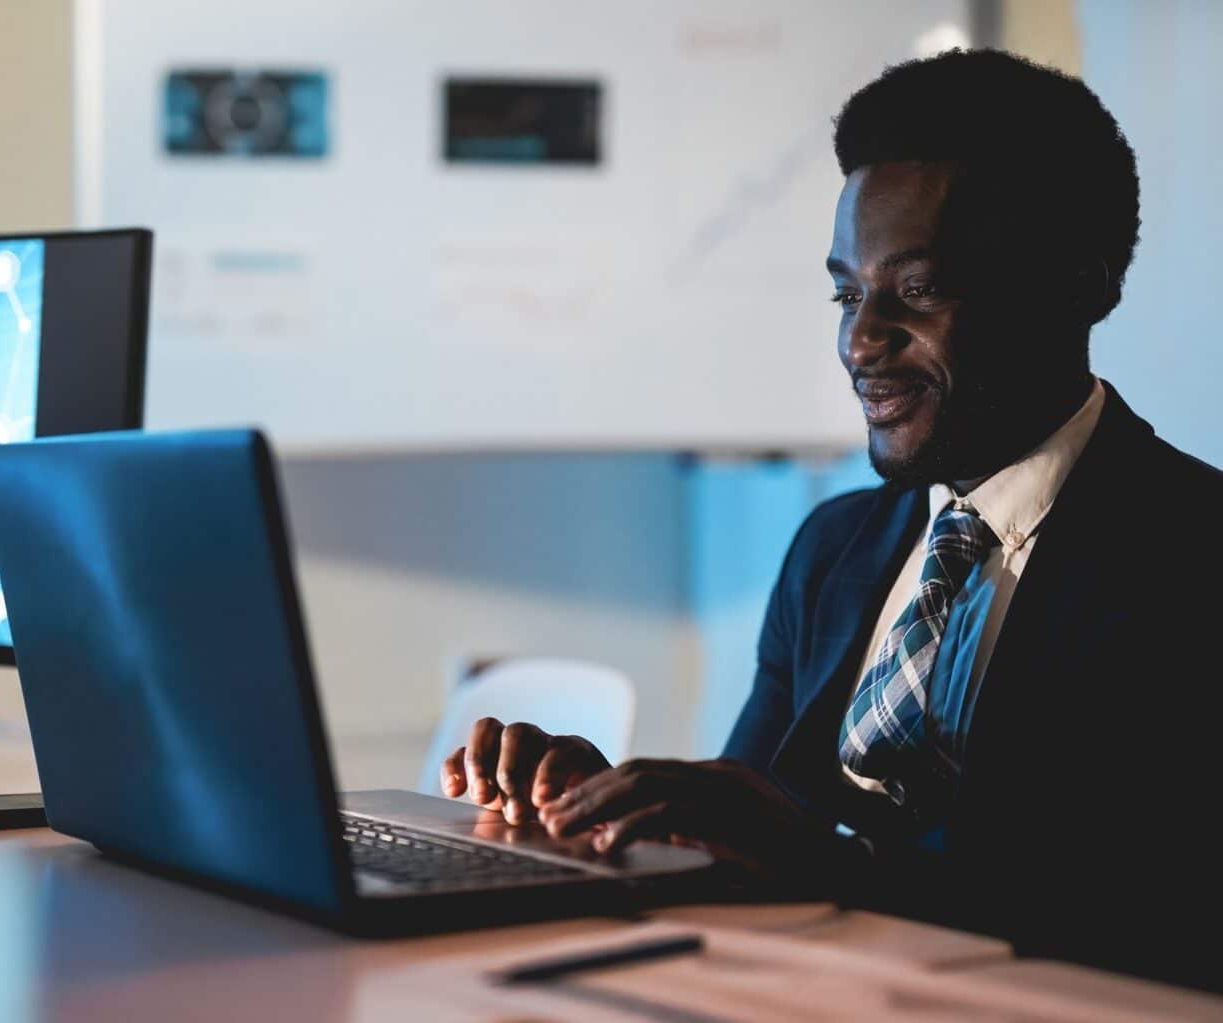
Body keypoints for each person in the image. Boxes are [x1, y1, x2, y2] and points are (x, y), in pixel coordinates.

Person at [440, 49, 1222, 990]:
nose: (859, 340)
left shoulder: (1193, 556)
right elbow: (746, 825)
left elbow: (1164, 920)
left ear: (1076, 288)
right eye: (847, 293)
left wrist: (836, 867)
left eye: (918, 291)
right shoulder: (834, 548)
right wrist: (616, 804)